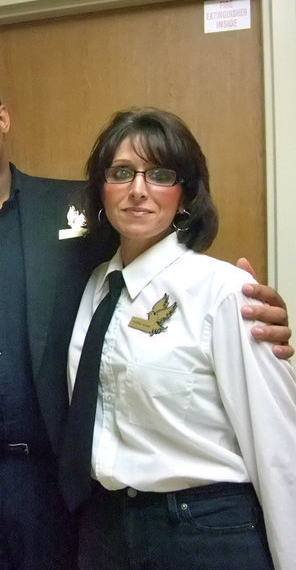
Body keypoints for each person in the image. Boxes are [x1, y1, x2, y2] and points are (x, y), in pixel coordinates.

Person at [0, 71, 293, 570]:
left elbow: (163, 266)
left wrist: (246, 310)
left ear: (2, 119)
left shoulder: (82, 212)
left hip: (68, 496)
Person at [64, 107, 296, 570]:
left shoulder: (224, 292)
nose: (138, 190)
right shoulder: (95, 287)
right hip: (107, 529)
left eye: (160, 174)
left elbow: (279, 448)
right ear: (102, 191)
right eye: (122, 173)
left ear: (185, 194)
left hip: (205, 533)